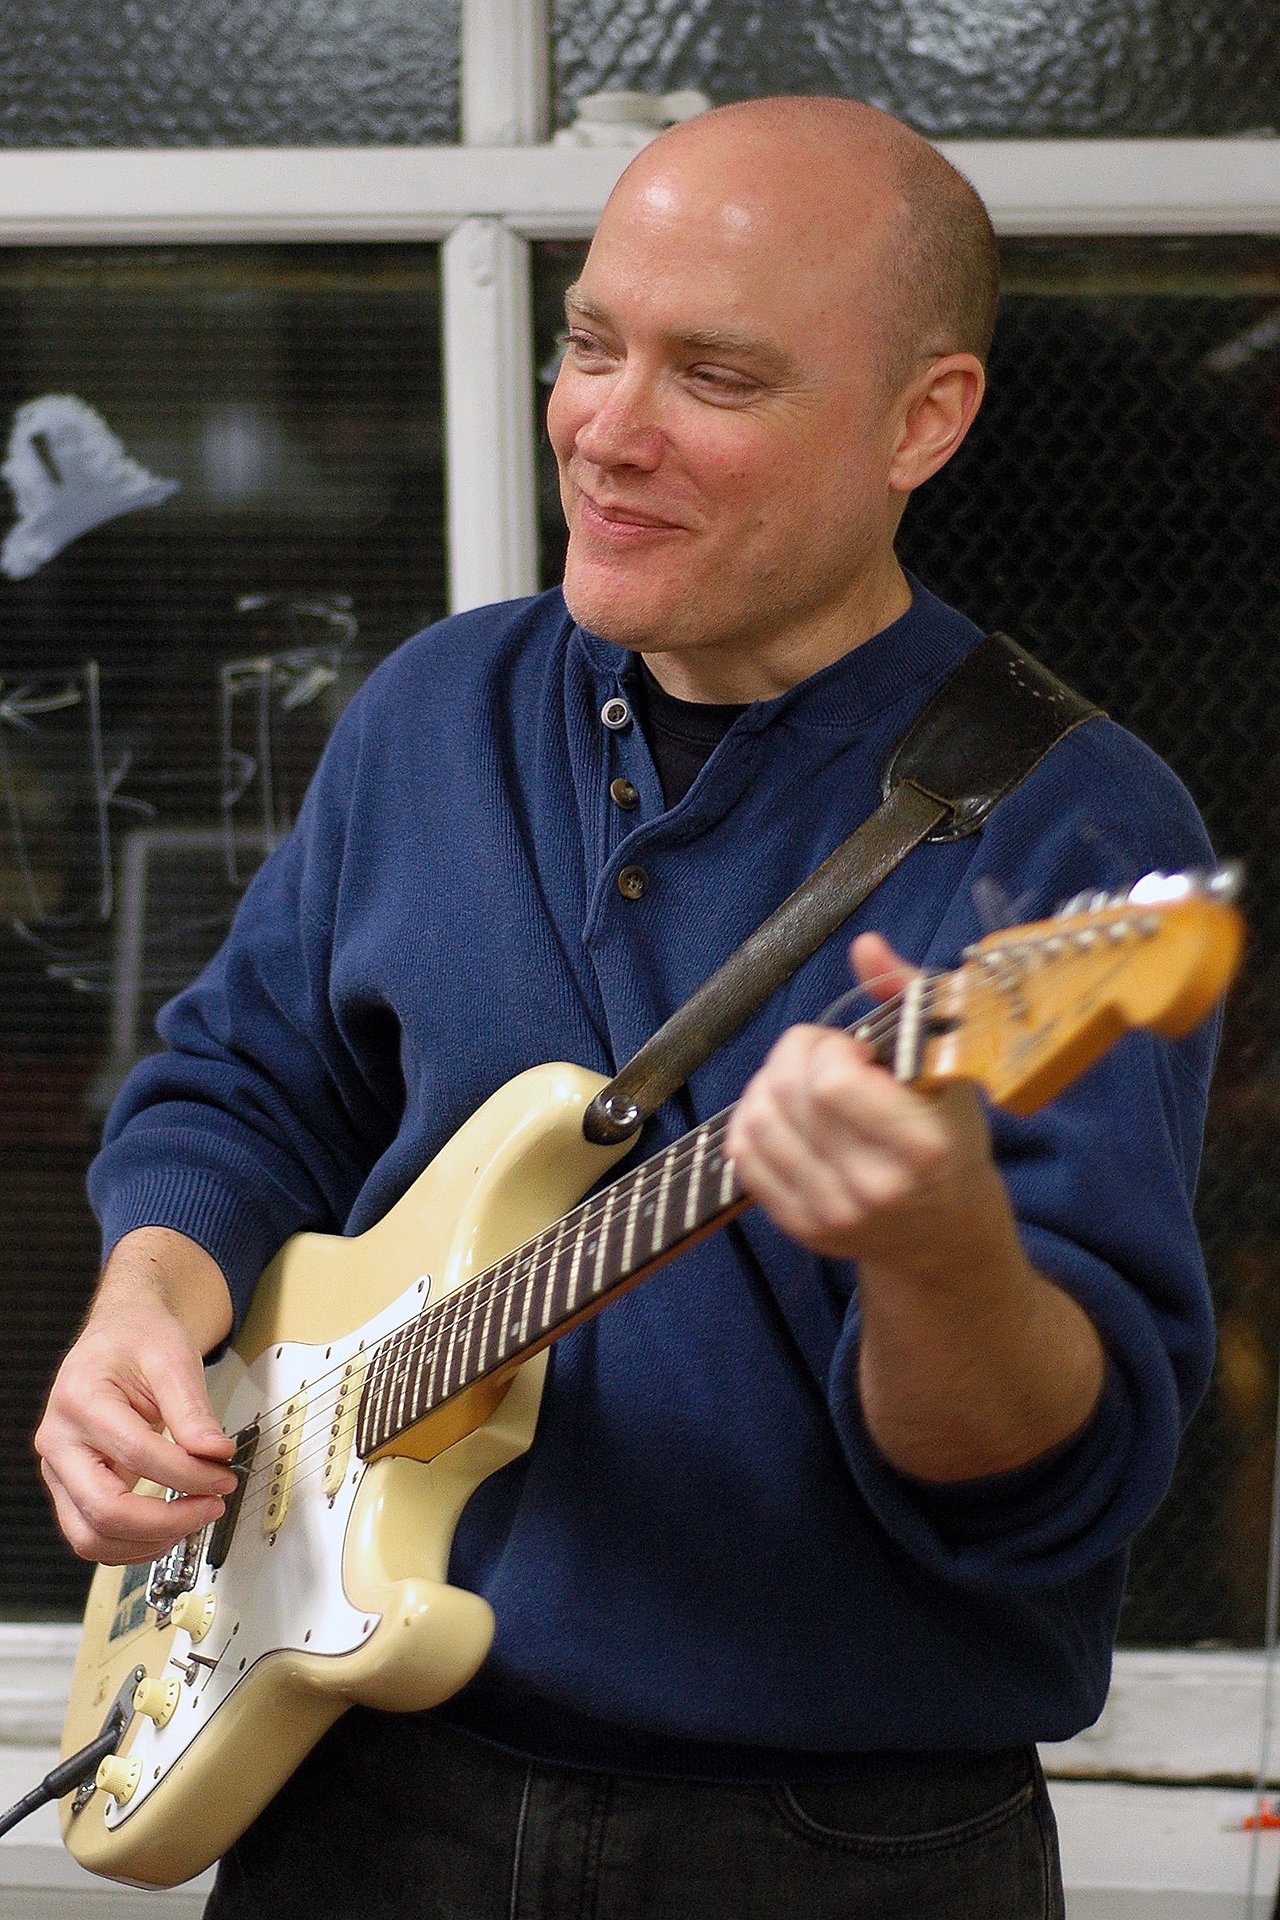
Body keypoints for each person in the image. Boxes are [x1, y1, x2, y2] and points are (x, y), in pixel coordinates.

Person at [36, 97, 1219, 1919]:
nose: (604, 426)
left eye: (716, 378)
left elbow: (1047, 1494)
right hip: (349, 1800)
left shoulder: (1077, 828)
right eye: (588, 342)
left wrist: (939, 1256)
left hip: (829, 1852)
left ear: (929, 419)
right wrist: (147, 1302)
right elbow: (241, 1084)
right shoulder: (440, 707)